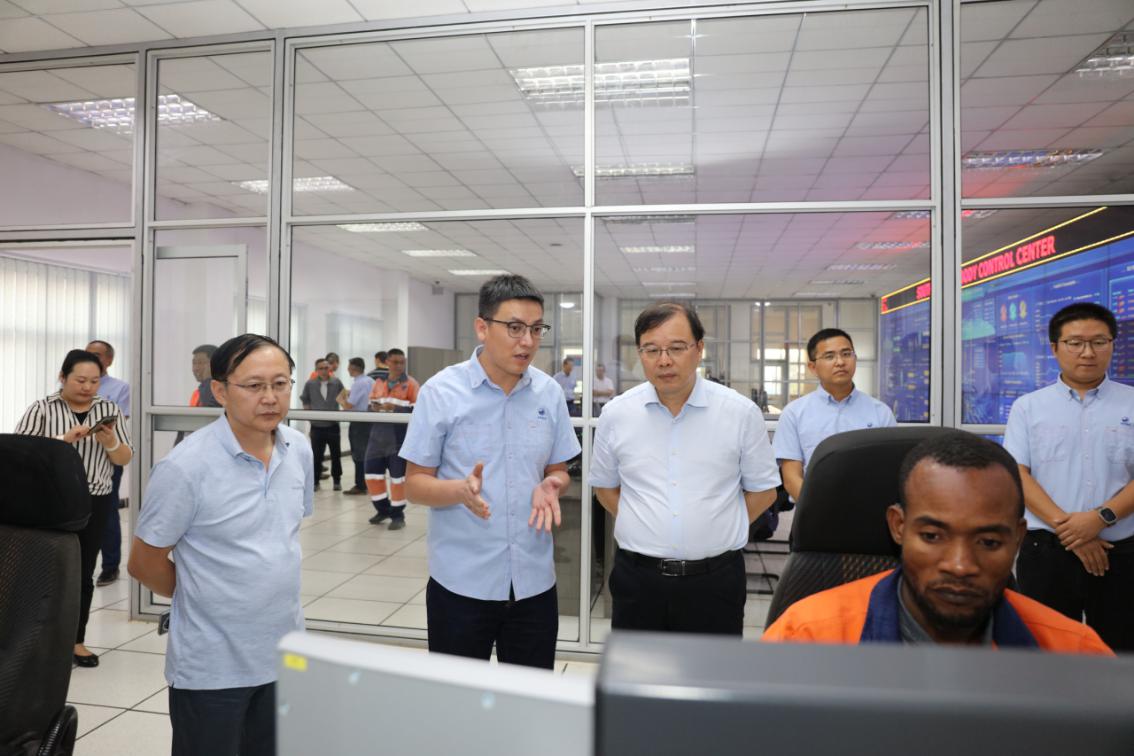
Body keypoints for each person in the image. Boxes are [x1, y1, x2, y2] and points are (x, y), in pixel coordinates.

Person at [763, 432, 1113, 655]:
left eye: (988, 542)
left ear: (1018, 538)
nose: (960, 565)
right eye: (932, 536)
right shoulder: (807, 639)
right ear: (898, 527)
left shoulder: (1075, 655)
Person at [128, 334, 312, 755]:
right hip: (212, 666)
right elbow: (143, 563)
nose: (270, 398)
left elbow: (282, 535)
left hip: (283, 651)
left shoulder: (297, 448)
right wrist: (204, 592)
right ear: (220, 391)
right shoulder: (185, 467)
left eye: (280, 384)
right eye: (254, 386)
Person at [401, 274, 580, 669]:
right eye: (515, 328)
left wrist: (553, 483)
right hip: (461, 584)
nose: (527, 341)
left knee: (529, 696)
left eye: (536, 329)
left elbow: (558, 470)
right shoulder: (441, 392)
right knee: (458, 699)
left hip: (534, 583)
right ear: (482, 327)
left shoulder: (549, 393)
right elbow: (414, 484)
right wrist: (458, 492)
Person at [590, 302, 780, 636]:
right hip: (638, 581)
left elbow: (764, 492)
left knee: (711, 668)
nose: (664, 360)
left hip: (715, 582)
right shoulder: (617, 414)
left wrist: (721, 524)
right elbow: (604, 488)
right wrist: (642, 519)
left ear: (699, 349)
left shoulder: (740, 413)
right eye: (651, 350)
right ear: (640, 353)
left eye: (676, 348)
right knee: (637, 669)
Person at [1004, 302, 1134, 652]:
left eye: (1099, 342)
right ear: (1055, 348)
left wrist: (1099, 519)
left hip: (1121, 552)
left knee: (1120, 653)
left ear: (1112, 345)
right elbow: (1017, 473)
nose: (1088, 353)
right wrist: (1073, 531)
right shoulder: (1028, 407)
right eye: (1075, 343)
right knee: (1045, 652)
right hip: (1046, 551)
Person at [15, 349, 134, 668]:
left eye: (94, 381)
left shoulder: (108, 409)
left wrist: (110, 442)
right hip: (50, 500)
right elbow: (21, 456)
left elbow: (124, 457)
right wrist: (62, 440)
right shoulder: (42, 409)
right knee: (44, 572)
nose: (87, 387)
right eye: (80, 380)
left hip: (94, 498)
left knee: (82, 572)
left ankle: (76, 641)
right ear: (63, 377)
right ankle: (34, 642)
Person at [773, 328, 896, 502]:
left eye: (846, 354)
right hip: (814, 511)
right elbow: (791, 479)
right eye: (829, 356)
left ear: (855, 359)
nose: (840, 362)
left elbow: (889, 471)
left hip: (869, 509)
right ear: (813, 367)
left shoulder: (880, 412)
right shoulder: (794, 413)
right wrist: (820, 511)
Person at [86, 339, 131, 588]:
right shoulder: (72, 385)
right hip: (78, 457)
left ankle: (110, 566)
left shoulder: (120, 388)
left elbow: (119, 421)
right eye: (88, 353)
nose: (91, 357)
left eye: (97, 354)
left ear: (109, 360)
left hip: (109, 457)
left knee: (107, 511)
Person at [364, 348, 419, 530]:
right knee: (372, 475)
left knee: (398, 479)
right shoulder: (378, 383)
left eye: (402, 362)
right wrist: (375, 408)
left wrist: (394, 409)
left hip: (398, 438)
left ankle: (397, 515)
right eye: (395, 362)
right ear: (387, 362)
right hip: (377, 437)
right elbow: (369, 406)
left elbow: (418, 411)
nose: (399, 366)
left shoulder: (411, 384)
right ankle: (383, 510)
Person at [300, 358, 344, 491]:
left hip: (333, 426)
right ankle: (315, 481)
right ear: (316, 370)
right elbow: (305, 400)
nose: (324, 371)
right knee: (316, 456)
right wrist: (310, 418)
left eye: (326, 368)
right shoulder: (310, 384)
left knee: (336, 455)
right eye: (321, 368)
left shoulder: (336, 382)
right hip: (317, 427)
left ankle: (337, 480)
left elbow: (344, 398)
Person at [337, 357, 374, 496]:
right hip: (369, 421)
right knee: (366, 453)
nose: (347, 369)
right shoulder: (370, 381)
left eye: (349, 367)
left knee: (358, 454)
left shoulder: (358, 383)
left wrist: (340, 399)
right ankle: (368, 483)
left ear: (354, 368)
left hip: (359, 422)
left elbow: (349, 405)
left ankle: (360, 485)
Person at [189, 344, 220, 408]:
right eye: (194, 363)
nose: (195, 368)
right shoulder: (197, 393)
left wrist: (208, 379)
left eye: (200, 363)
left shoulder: (222, 390)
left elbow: (210, 409)